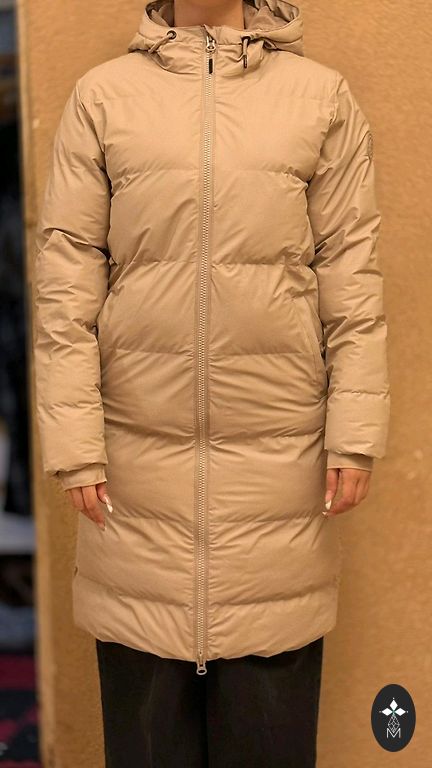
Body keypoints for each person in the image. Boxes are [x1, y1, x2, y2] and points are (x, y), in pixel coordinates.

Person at [33, 0, 391, 765]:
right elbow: (65, 289)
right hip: (134, 484)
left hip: (279, 479)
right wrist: (74, 443)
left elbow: (352, 279)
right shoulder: (103, 97)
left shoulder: (320, 98)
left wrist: (355, 436)